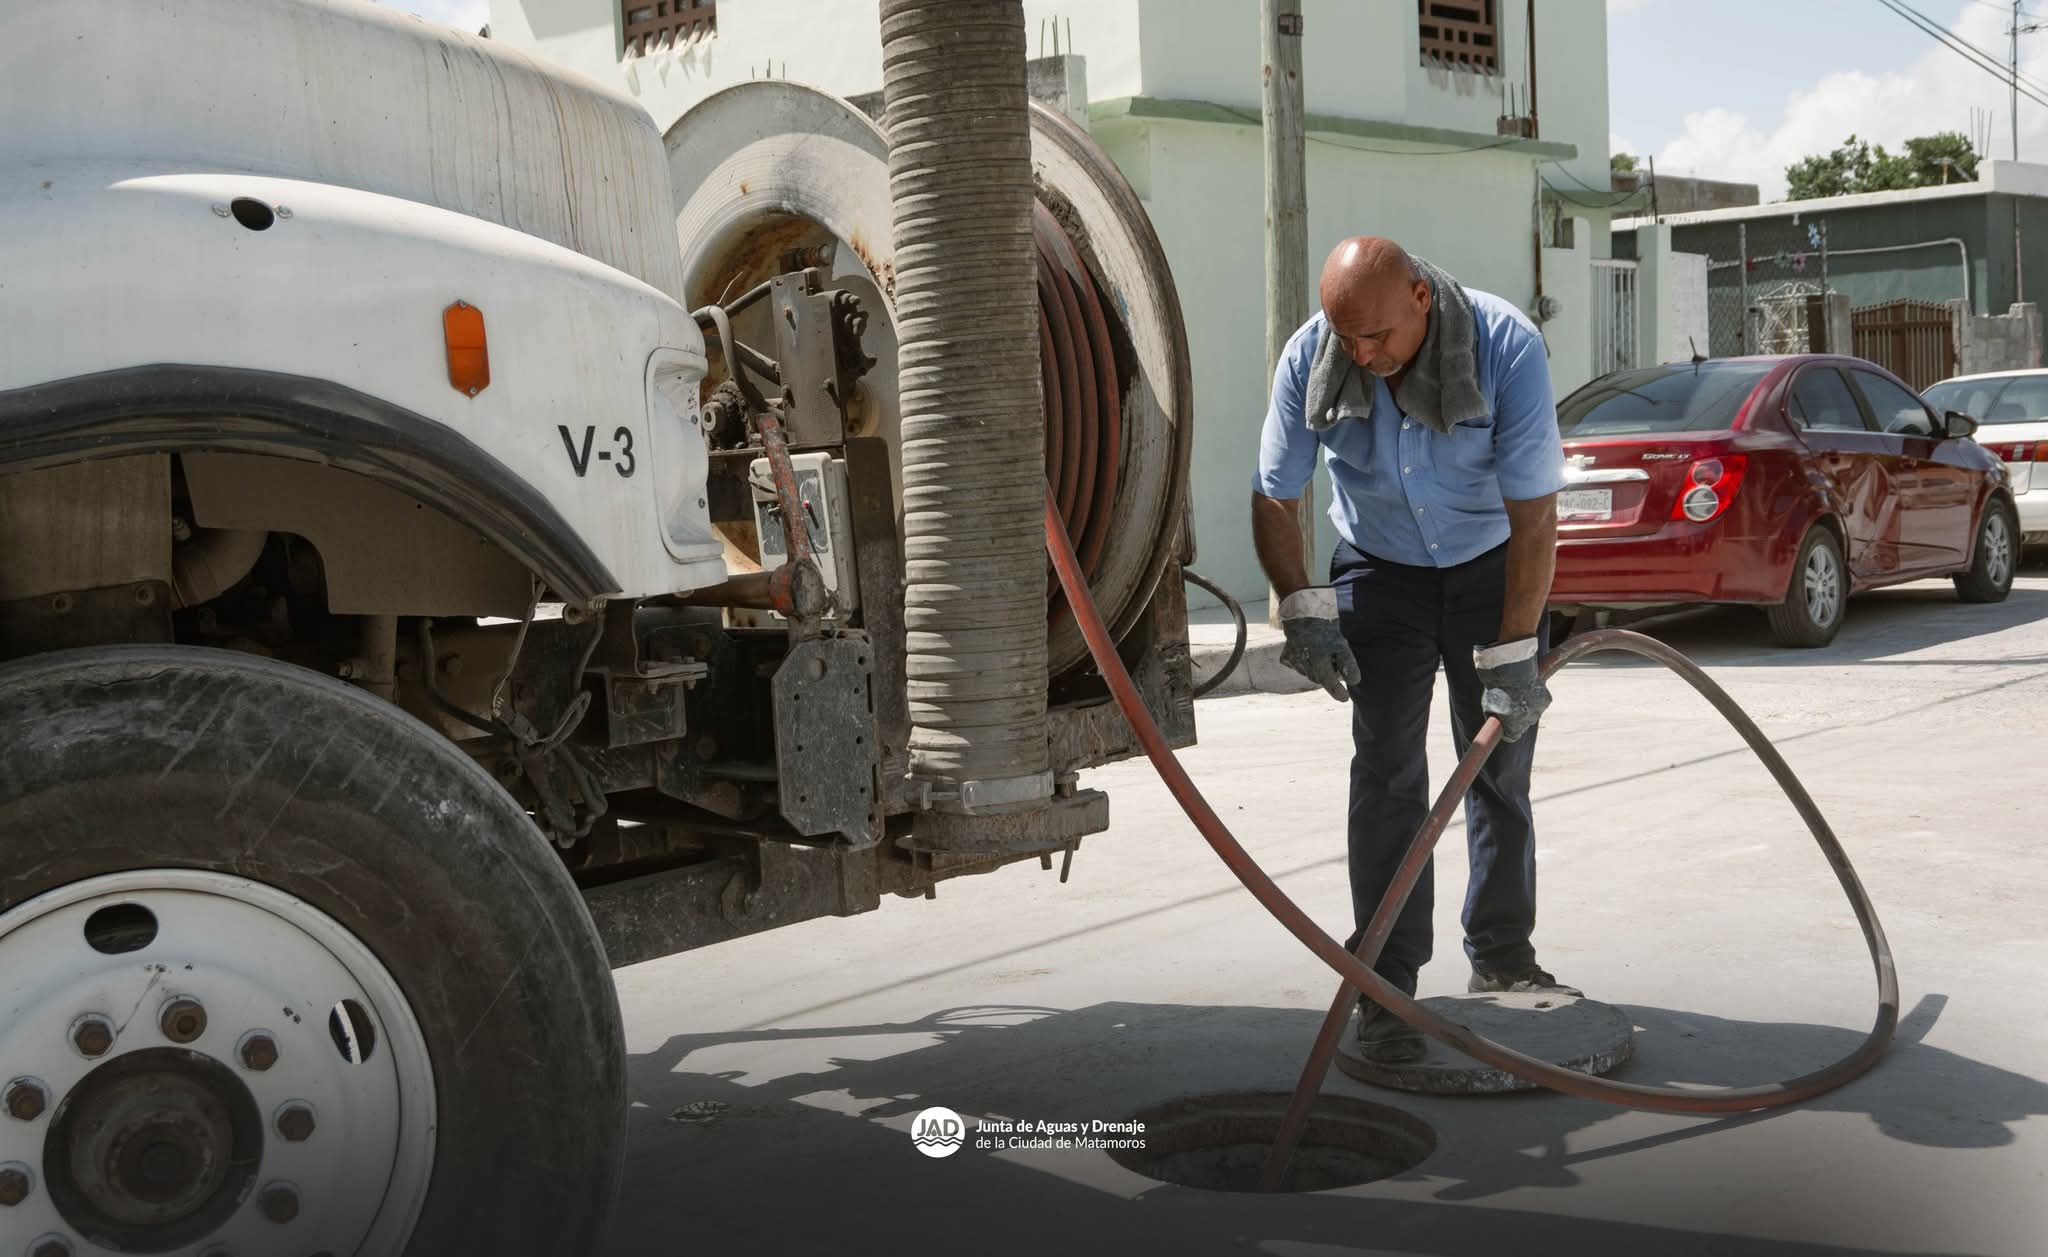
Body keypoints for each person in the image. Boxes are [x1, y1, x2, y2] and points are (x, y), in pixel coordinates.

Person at [1250, 236, 1573, 1064]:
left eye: (1379, 339)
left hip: (1491, 564)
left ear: (1421, 299)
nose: (1362, 355)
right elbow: (1275, 495)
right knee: (1387, 770)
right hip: (1380, 569)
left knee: (1497, 760)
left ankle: (1502, 955)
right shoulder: (1312, 356)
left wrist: (1512, 652)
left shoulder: (1505, 346)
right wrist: (1302, 611)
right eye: (1346, 338)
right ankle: (1386, 986)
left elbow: (1536, 516)